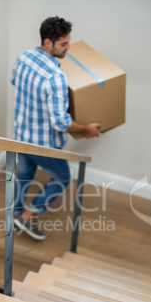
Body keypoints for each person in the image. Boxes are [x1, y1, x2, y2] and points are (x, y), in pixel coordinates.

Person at [11, 16, 100, 241]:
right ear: (48, 42)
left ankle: (15, 210)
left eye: (68, 42)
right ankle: (27, 216)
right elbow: (60, 123)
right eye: (64, 44)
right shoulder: (55, 77)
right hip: (44, 144)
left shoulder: (23, 57)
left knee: (24, 174)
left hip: (21, 135)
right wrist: (86, 129)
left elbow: (15, 81)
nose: (69, 48)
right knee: (62, 178)